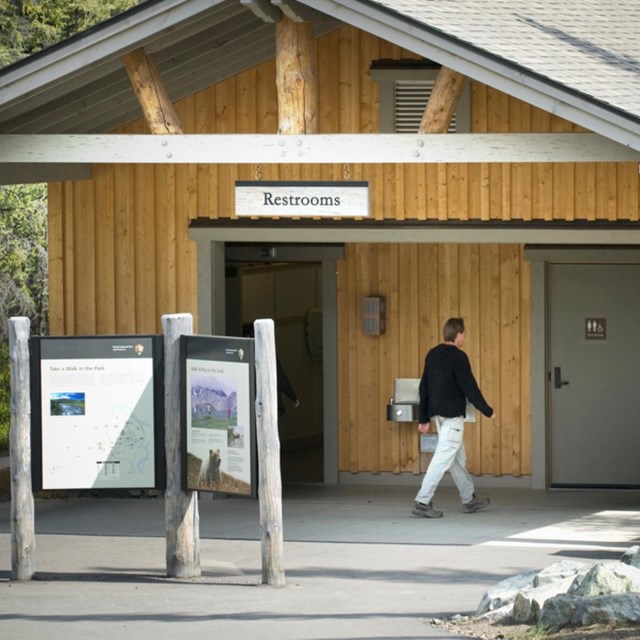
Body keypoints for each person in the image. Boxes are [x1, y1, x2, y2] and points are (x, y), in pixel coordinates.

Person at [413, 317, 495, 518]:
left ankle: (469, 500)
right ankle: (422, 501)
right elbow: (470, 387)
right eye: (464, 333)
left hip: (439, 417)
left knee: (457, 459)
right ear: (458, 334)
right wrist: (487, 410)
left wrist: (423, 419)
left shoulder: (432, 354)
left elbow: (423, 388)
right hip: (453, 419)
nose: (464, 337)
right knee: (442, 459)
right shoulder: (459, 357)